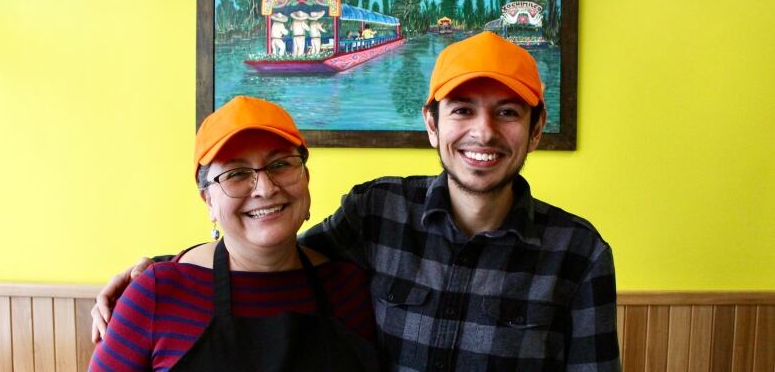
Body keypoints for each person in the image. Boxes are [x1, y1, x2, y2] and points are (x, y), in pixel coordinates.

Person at [93, 32, 620, 370]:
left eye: (507, 112)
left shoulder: (580, 254)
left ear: (536, 130)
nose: (483, 131)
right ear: (432, 124)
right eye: (462, 110)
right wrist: (159, 274)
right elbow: (269, 252)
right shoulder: (378, 213)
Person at [89, 96, 379, 371]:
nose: (265, 189)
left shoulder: (348, 288)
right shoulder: (156, 295)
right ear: (209, 201)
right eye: (236, 173)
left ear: (305, 178)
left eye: (280, 165)